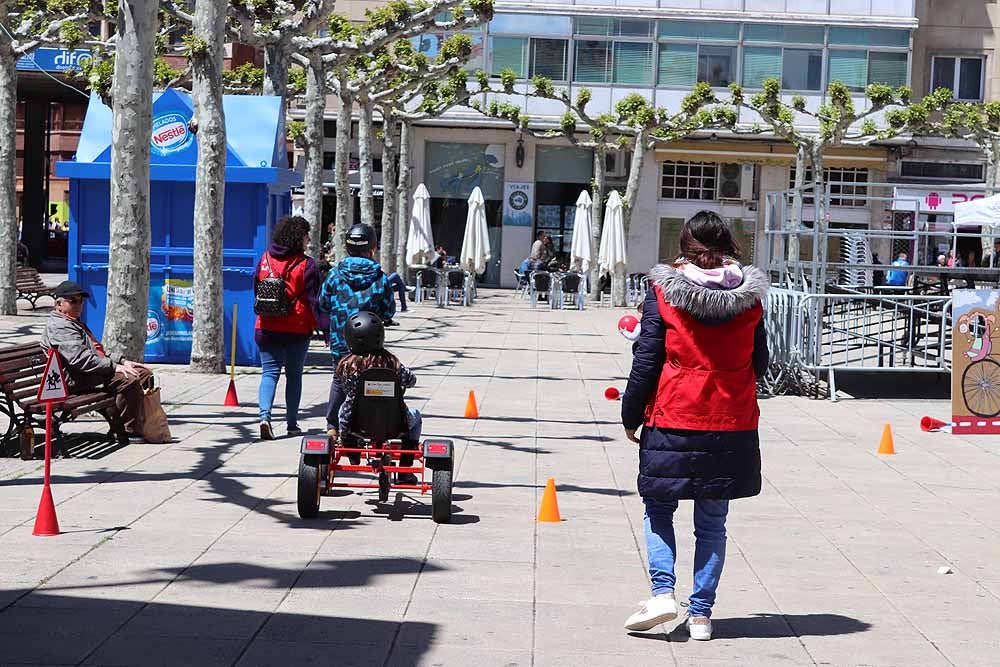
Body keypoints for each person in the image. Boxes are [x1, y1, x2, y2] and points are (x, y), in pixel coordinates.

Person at [621, 211, 768, 641]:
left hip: (673, 415)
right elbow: (761, 361)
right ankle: (701, 616)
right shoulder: (750, 296)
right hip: (732, 420)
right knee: (712, 522)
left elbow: (646, 360)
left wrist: (630, 414)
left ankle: (663, 593)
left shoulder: (663, 292)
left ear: (685, 247)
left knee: (659, 508)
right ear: (728, 245)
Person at [41, 280, 153, 439]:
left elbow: (97, 351)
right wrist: (113, 367)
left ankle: (138, 423)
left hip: (89, 372)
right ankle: (126, 430)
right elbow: (80, 359)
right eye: (73, 301)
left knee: (142, 373)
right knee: (128, 379)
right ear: (59, 304)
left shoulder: (73, 322)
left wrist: (122, 361)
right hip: (77, 378)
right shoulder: (60, 326)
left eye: (81, 301)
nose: (79, 305)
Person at [320, 223, 396, 442]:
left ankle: (332, 426)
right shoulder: (379, 277)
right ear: (372, 248)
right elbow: (389, 309)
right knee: (369, 381)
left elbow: (323, 303)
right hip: (371, 342)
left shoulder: (335, 275)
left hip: (340, 341)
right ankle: (366, 426)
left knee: (339, 379)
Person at [254, 215, 321, 441]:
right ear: (297, 238)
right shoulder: (306, 264)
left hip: (266, 326)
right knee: (294, 376)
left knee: (269, 373)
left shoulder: (264, 259)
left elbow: (257, 289)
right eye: (305, 235)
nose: (308, 239)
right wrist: (325, 328)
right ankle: (292, 424)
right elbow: (314, 301)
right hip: (296, 328)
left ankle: (265, 417)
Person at [335, 311, 422, 484]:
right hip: (395, 422)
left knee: (342, 411)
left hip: (355, 423)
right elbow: (411, 380)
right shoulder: (391, 362)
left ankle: (351, 447)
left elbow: (343, 387)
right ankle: (405, 469)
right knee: (416, 417)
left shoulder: (345, 365)